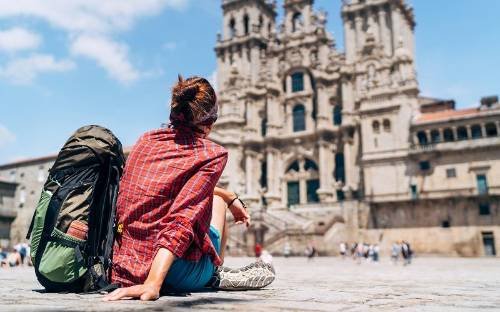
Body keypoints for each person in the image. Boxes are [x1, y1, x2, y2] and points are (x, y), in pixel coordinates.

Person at [105, 76, 266, 301]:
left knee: (217, 197)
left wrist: (228, 194)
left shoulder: (145, 140)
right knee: (216, 203)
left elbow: (165, 191)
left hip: (125, 267)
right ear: (209, 123)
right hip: (173, 274)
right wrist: (153, 283)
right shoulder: (212, 154)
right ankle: (213, 274)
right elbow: (182, 219)